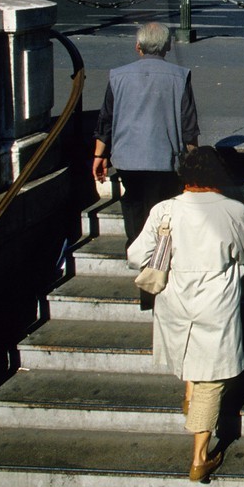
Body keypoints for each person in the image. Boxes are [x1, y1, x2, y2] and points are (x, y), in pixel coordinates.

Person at [127, 145, 244, 484]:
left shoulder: (165, 210)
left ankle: (188, 396)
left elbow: (136, 255)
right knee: (212, 380)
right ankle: (199, 458)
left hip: (174, 300)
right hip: (215, 303)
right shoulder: (234, 212)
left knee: (190, 356)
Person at [94, 22, 200, 300]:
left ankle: (139, 259)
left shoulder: (118, 76)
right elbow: (189, 127)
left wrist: (99, 155)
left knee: (135, 207)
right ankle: (160, 272)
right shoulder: (179, 75)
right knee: (162, 214)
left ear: (137, 47)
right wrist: (194, 161)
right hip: (164, 159)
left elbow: (105, 120)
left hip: (128, 158)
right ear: (167, 47)